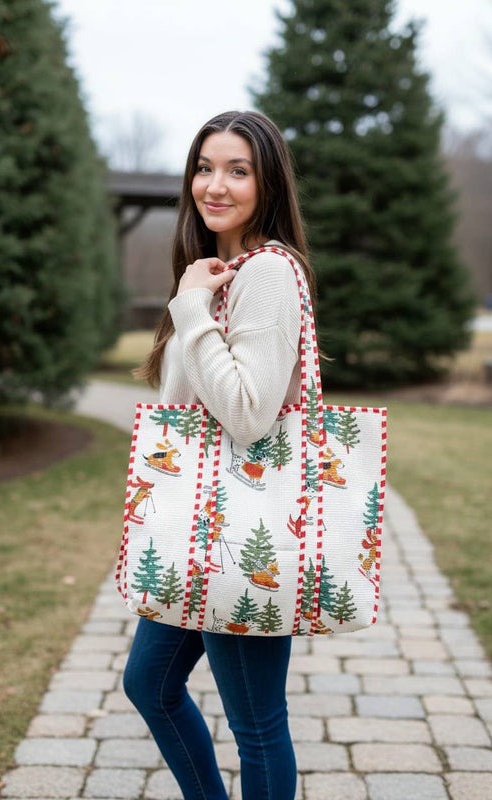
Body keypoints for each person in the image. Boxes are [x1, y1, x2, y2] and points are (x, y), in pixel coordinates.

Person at [123, 109, 324, 800]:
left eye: (237, 170)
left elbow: (246, 413)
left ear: (266, 184)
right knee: (148, 684)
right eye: (205, 167)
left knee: (258, 724)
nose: (215, 184)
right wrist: (195, 300)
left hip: (241, 531)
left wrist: (189, 310)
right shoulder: (221, 270)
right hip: (195, 527)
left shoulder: (265, 272)